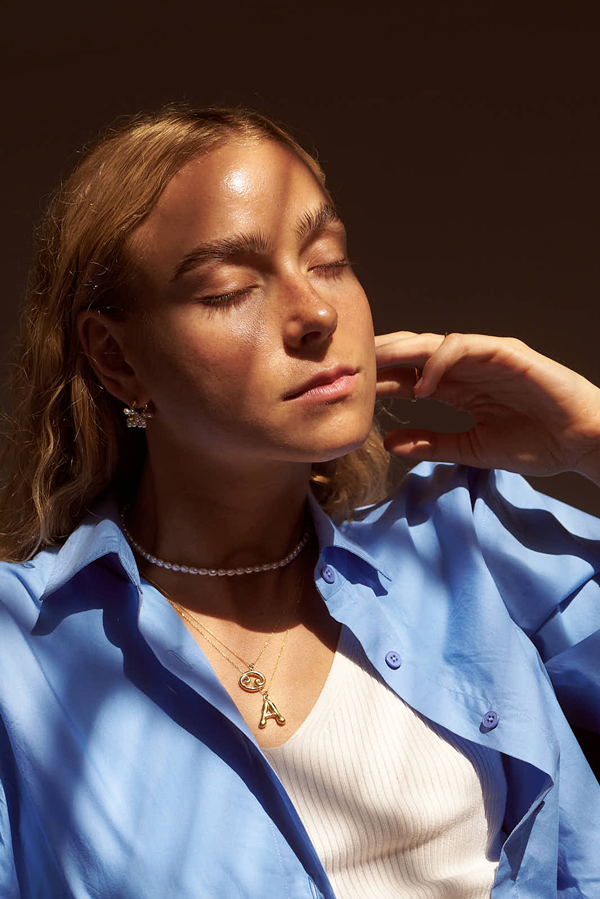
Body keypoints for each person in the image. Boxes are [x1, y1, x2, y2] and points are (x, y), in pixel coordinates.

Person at [0, 105, 599, 899]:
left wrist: (595, 442)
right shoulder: (22, 654)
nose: (318, 314)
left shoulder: (472, 546)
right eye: (229, 287)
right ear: (117, 360)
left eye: (328, 259)